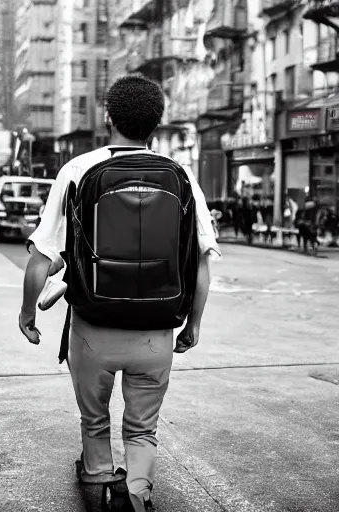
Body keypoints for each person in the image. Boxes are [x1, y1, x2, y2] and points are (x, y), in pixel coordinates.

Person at [19, 75, 221, 512]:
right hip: (156, 330)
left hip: (93, 327)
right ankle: (136, 488)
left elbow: (41, 257)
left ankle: (96, 471)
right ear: (157, 123)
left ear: (107, 117)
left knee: (95, 416)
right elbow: (202, 260)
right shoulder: (180, 174)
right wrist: (194, 324)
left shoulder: (78, 170)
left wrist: (27, 315)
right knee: (142, 425)